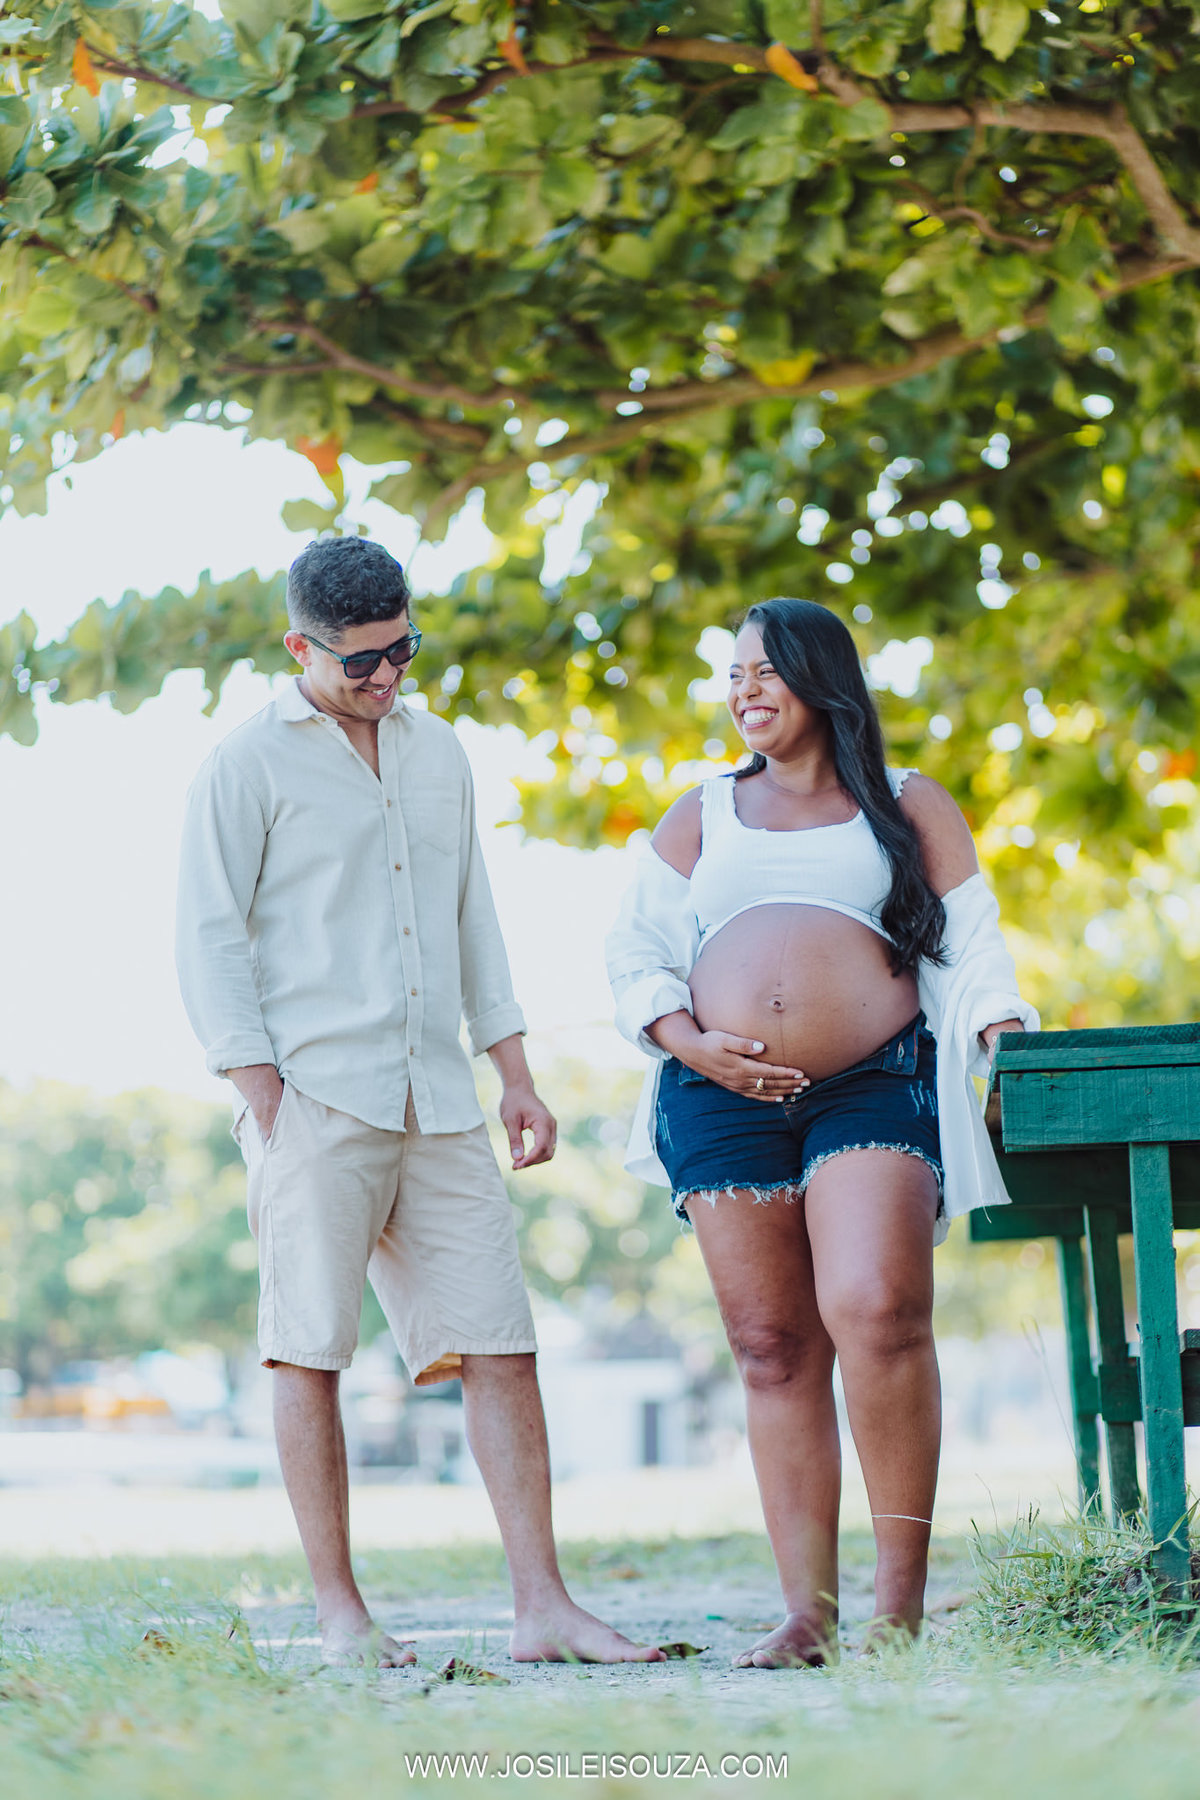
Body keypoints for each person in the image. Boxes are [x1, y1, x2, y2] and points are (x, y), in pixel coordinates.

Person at [177, 535, 664, 1667]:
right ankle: (342, 1614)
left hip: (438, 1096)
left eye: (403, 650)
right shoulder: (243, 765)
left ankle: (543, 1608)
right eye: (362, 662)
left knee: (503, 1342)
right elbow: (207, 937)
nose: (388, 676)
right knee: (310, 1351)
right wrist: (264, 1095)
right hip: (315, 1100)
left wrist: (516, 1073)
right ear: (301, 647)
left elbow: (470, 916)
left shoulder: (439, 752)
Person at [606, 597, 1038, 1668]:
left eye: (767, 670)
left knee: (878, 1309)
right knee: (769, 1347)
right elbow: (635, 952)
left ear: (822, 679)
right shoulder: (700, 812)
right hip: (718, 1092)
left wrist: (1000, 1028)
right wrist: (687, 1041)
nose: (745, 690)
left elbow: (972, 943)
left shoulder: (903, 801)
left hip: (872, 1082)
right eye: (736, 674)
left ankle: (896, 1607)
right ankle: (810, 1614)